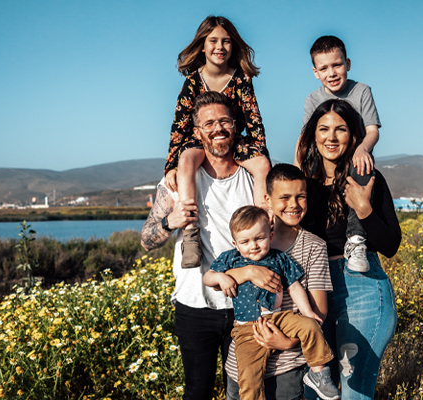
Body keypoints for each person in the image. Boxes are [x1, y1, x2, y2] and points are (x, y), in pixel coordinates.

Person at [141, 91, 279, 400]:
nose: (218, 128)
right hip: (195, 306)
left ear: (235, 126)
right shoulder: (176, 183)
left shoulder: (253, 178)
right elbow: (146, 239)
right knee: (197, 392)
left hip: (248, 304)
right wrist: (170, 221)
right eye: (209, 123)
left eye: (224, 121)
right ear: (197, 131)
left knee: (251, 390)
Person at [296, 99, 401, 400]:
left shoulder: (368, 179)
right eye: (323, 129)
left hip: (363, 288)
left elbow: (391, 245)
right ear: (313, 135)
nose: (331, 137)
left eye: (340, 129)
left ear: (353, 136)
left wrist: (364, 208)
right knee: (317, 392)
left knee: (355, 393)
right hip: (314, 288)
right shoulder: (302, 185)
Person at [222, 163, 336, 400]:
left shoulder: (314, 246)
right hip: (241, 363)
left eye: (300, 196)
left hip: (286, 365)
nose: (293, 204)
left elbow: (319, 312)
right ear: (268, 199)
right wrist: (250, 272)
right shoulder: (252, 235)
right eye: (284, 197)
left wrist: (285, 342)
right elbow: (217, 280)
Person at [165, 15, 271, 269]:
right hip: (198, 141)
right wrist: (170, 165)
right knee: (187, 159)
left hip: (235, 140)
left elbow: (254, 120)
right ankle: (191, 235)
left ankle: (266, 225)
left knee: (262, 166)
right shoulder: (192, 81)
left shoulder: (241, 79)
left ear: (233, 46)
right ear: (202, 45)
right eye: (213, 41)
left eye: (226, 41)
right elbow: (179, 126)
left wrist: (261, 154)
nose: (220, 47)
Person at [295, 35, 381, 273]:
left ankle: (356, 241)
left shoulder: (361, 91)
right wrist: (296, 171)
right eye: (324, 68)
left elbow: (372, 131)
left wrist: (363, 148)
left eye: (337, 65)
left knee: (362, 166)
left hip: (355, 160)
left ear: (348, 64)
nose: (331, 73)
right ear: (315, 72)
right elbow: (304, 139)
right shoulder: (312, 99)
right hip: (323, 163)